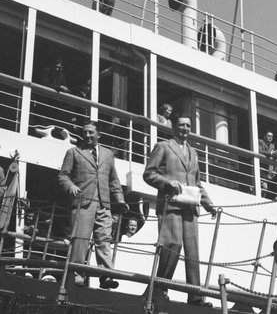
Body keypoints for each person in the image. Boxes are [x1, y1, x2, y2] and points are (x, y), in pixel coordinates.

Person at [143, 112, 216, 307]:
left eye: (188, 126)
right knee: (172, 246)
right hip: (171, 204)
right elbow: (149, 173)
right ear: (174, 126)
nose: (185, 129)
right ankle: (158, 288)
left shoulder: (194, 152)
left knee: (193, 252)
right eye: (182, 125)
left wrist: (209, 204)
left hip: (190, 207)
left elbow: (197, 183)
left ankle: (195, 297)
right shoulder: (163, 147)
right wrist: (167, 183)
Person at [57, 120, 128, 289]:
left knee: (104, 240)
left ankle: (106, 276)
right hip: (82, 203)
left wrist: (120, 199)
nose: (87, 135)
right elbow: (63, 176)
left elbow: (113, 180)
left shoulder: (108, 154)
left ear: (99, 135)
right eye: (85, 132)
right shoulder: (73, 152)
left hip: (104, 204)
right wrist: (71, 186)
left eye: (90, 132)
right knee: (80, 241)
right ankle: (77, 276)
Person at [258, 130, 277, 198]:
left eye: (271, 137)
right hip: (259, 167)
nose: (270, 138)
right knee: (264, 187)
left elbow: (273, 157)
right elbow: (260, 151)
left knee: (266, 187)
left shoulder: (272, 146)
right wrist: (271, 154)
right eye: (268, 136)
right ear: (265, 137)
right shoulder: (260, 142)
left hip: (267, 170)